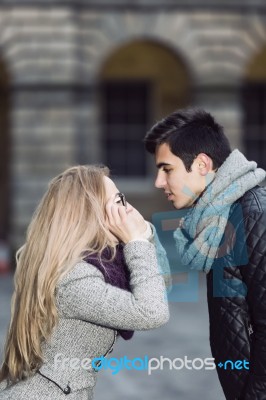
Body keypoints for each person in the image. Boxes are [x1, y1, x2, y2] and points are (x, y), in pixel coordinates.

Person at [0, 165, 169, 399]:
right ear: (90, 214)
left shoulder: (99, 266)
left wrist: (143, 236)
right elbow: (152, 311)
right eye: (117, 200)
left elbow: (157, 286)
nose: (127, 208)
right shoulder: (75, 276)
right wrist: (136, 242)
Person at [144, 108, 266, 400]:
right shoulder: (220, 218)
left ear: (201, 164)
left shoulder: (252, 215)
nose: (159, 182)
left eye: (167, 169)